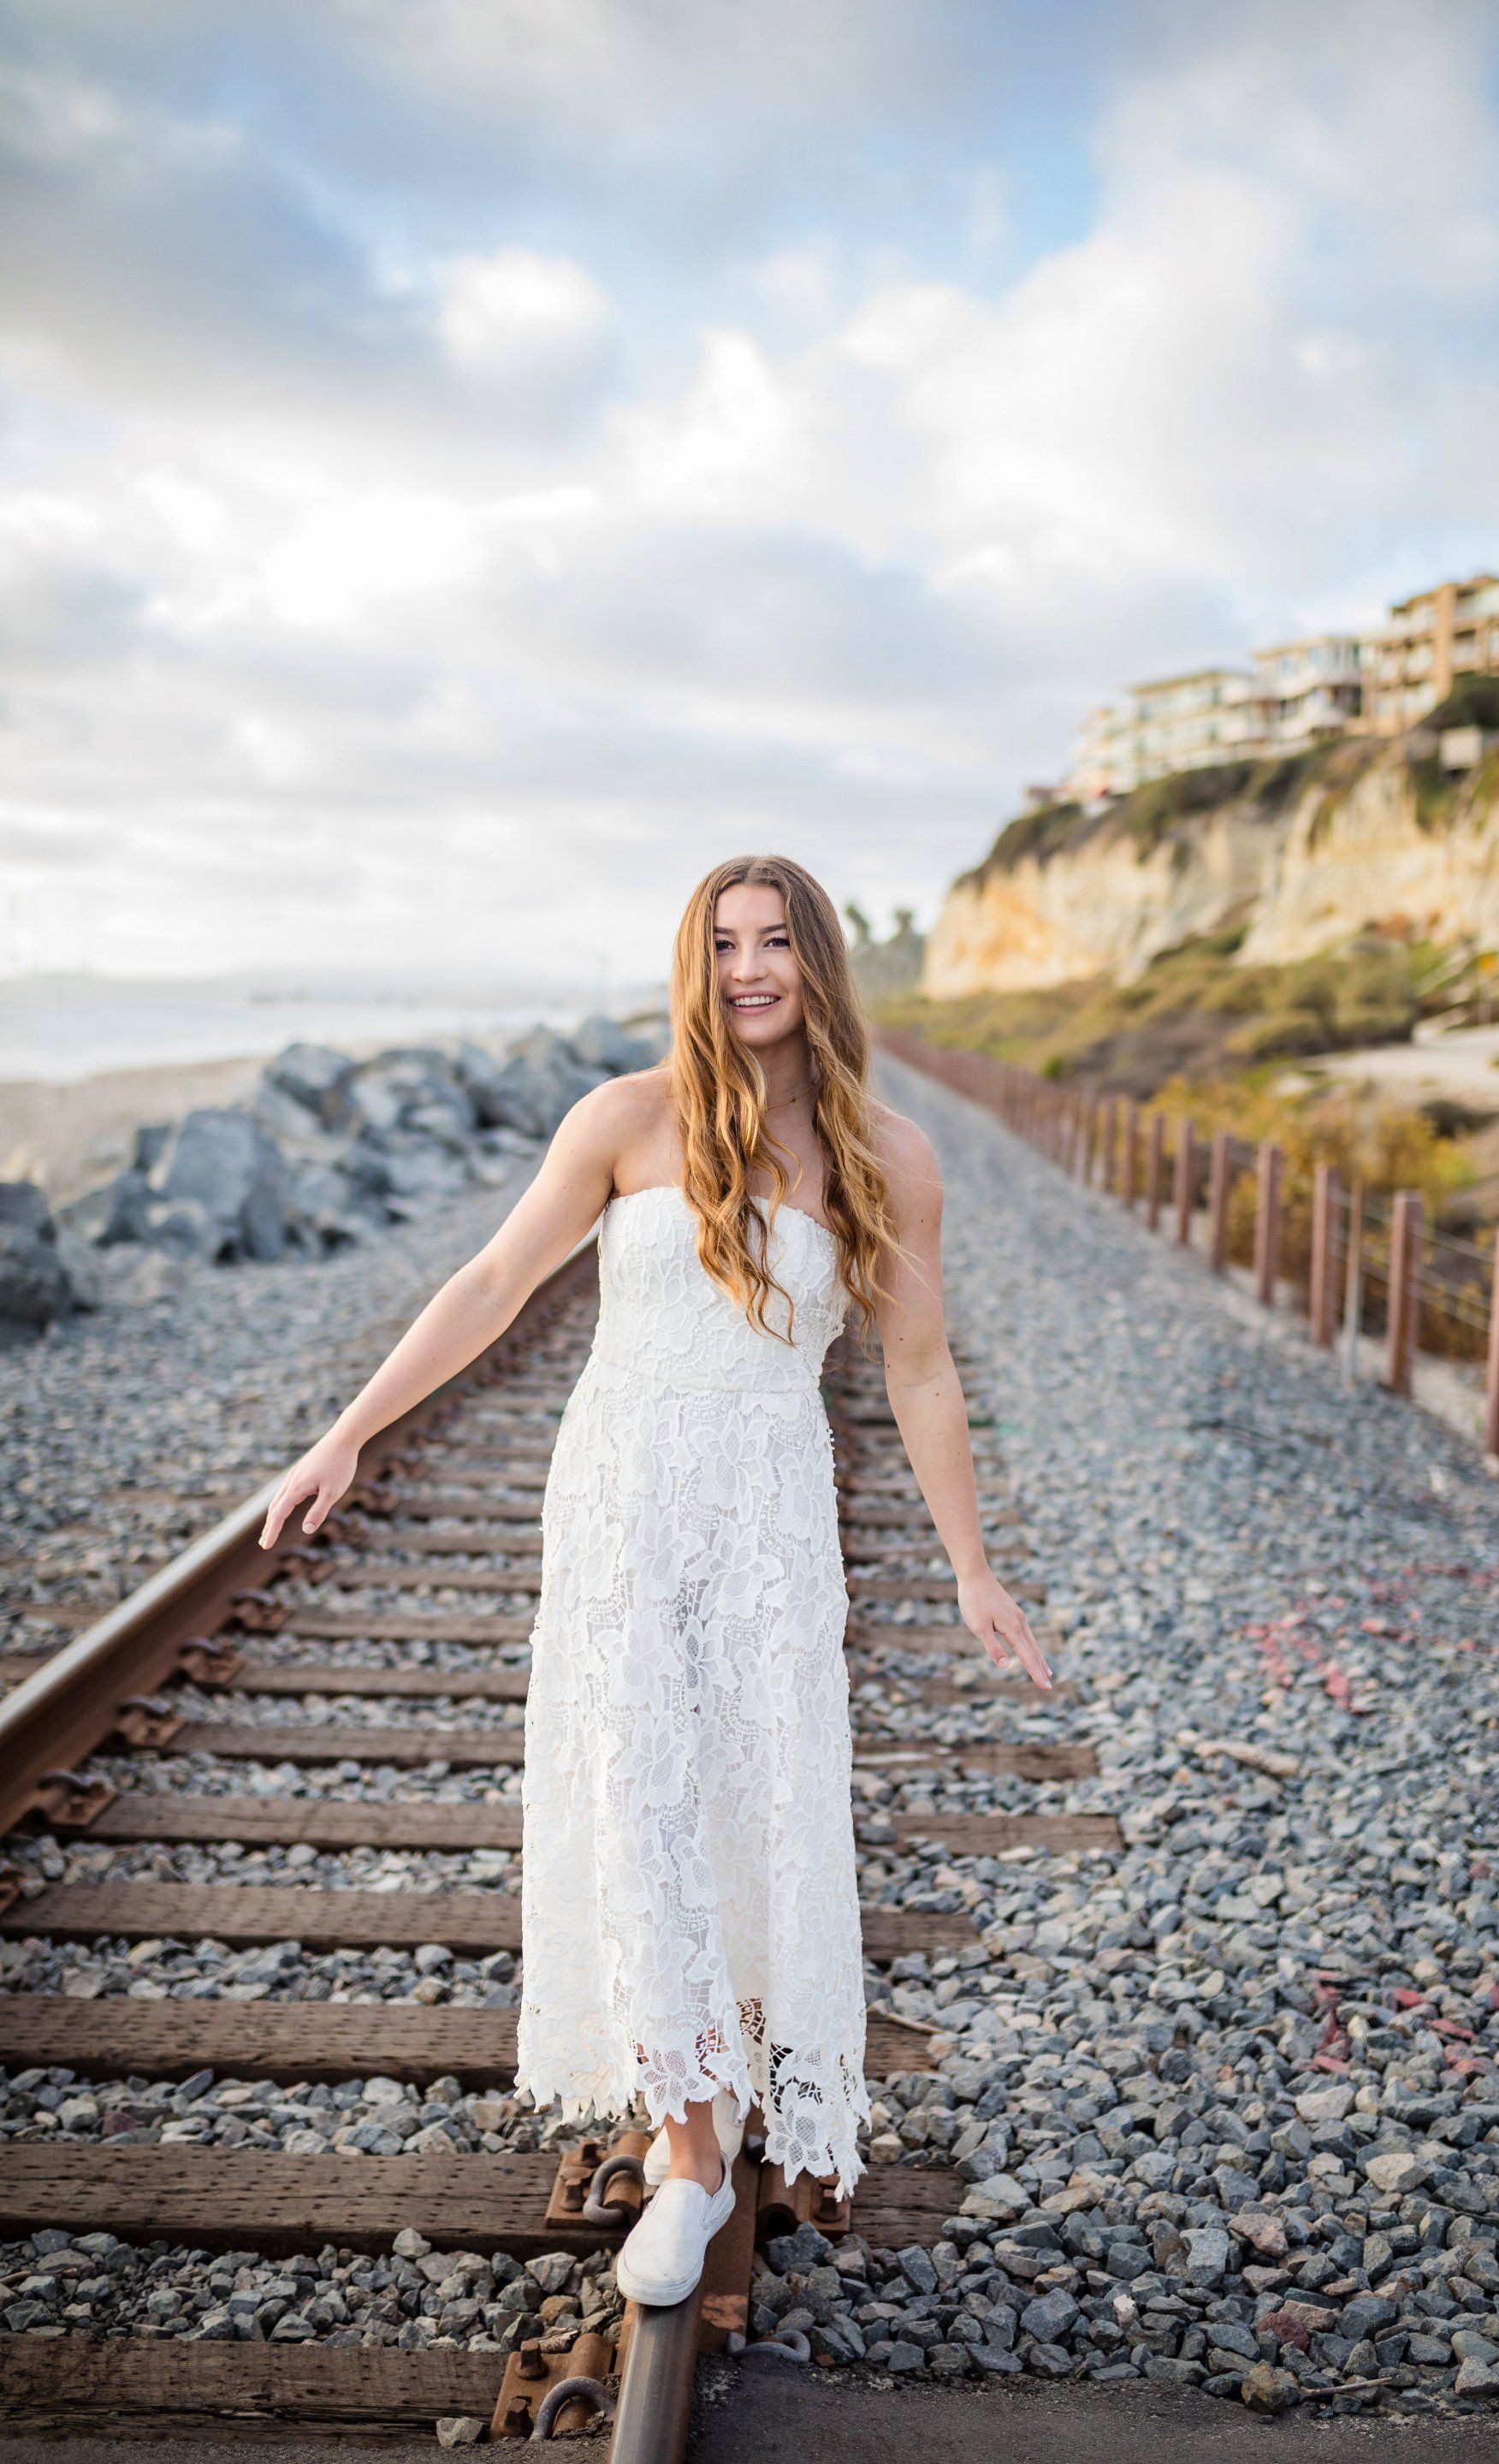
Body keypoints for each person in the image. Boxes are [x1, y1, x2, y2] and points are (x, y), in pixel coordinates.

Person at [258, 853, 1050, 2309]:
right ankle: (690, 2156)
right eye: (724, 944)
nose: (750, 969)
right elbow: (492, 1286)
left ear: (819, 963)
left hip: (768, 1522)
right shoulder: (624, 1120)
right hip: (619, 1503)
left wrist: (972, 1569)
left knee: (752, 1798)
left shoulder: (890, 1154)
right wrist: (348, 1431)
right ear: (696, 963)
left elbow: (921, 1369)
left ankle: (720, 2067)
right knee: (638, 1796)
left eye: (777, 944)